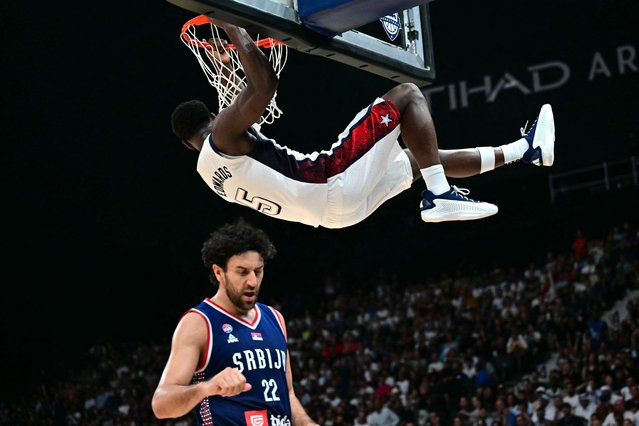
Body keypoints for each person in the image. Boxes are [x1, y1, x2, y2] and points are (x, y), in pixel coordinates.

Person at [171, 18, 556, 229]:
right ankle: (439, 195)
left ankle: (526, 150)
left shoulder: (208, 173)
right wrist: (234, 28)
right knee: (406, 95)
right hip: (330, 180)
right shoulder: (221, 132)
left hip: (335, 216)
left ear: (188, 145)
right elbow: (264, 88)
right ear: (210, 116)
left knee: (418, 160)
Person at [151, 218, 319, 426]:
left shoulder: (275, 319)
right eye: (242, 272)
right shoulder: (198, 323)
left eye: (258, 271)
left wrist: (307, 423)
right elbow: (161, 405)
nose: (252, 281)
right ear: (219, 272)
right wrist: (207, 387)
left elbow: (288, 394)